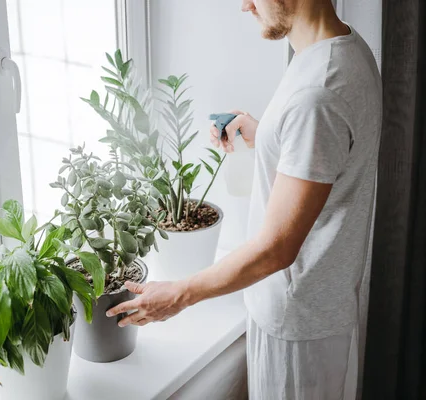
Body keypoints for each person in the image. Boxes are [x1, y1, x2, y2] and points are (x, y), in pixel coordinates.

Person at [106, 0, 382, 398]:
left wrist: (180, 295)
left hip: (296, 329)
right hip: (316, 315)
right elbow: (325, 149)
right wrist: (266, 133)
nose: (245, 5)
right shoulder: (346, 50)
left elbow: (277, 249)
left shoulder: (317, 95)